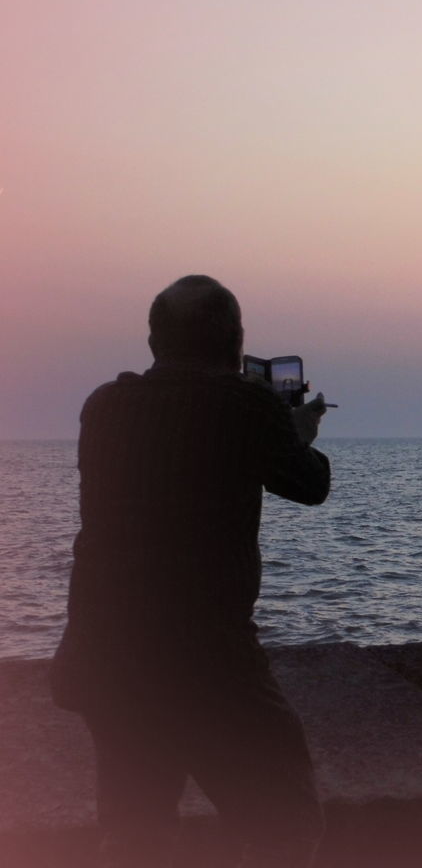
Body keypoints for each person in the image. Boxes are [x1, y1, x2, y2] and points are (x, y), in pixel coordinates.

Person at [50, 275, 332, 867]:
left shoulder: (103, 406)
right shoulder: (246, 404)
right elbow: (310, 485)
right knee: (287, 818)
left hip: (106, 654)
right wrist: (297, 432)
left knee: (136, 835)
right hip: (208, 658)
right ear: (234, 342)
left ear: (154, 341)